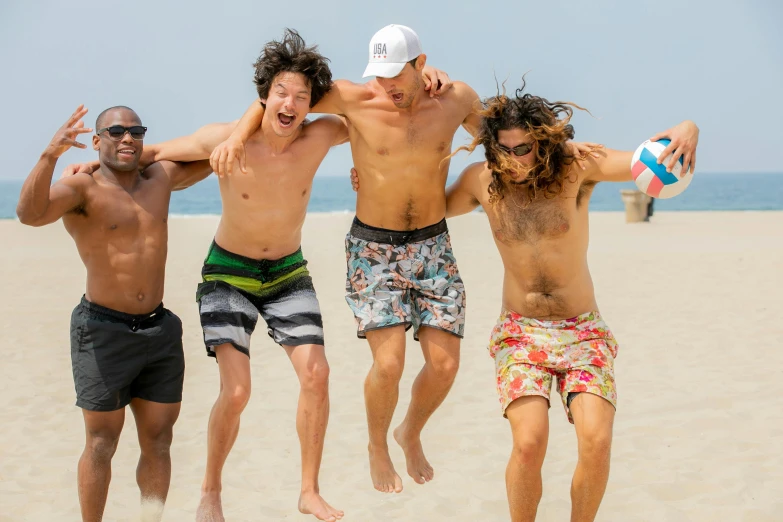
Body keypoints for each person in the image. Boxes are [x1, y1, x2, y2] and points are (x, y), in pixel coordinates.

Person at [64, 28, 448, 521]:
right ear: (264, 96)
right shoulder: (223, 140)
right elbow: (150, 153)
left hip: (288, 270)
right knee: (238, 390)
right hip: (229, 271)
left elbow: (384, 112)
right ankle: (211, 491)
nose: (291, 104)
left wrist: (432, 76)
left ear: (313, 105)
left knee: (317, 374)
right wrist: (88, 167)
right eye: (281, 93)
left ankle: (308, 490)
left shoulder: (321, 134)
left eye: (303, 97)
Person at [210, 24, 599, 495]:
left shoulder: (455, 99)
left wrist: (564, 153)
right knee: (390, 364)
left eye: (398, 73)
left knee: (444, 367)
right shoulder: (354, 98)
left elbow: (505, 138)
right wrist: (234, 138)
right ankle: (377, 444)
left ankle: (409, 430)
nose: (388, 85)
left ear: (421, 64)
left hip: (433, 242)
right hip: (374, 246)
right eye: (381, 74)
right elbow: (281, 98)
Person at [441, 82, 699, 521]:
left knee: (596, 442)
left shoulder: (577, 168)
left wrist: (688, 128)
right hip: (520, 331)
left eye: (523, 149)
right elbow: (424, 207)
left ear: (541, 142)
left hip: (583, 328)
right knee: (528, 443)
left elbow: (642, 160)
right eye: (502, 151)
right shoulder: (481, 182)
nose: (513, 160)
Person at [16, 105, 211, 522]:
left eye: (135, 131)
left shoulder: (159, 178)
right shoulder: (82, 190)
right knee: (102, 442)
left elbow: (212, 151)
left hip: (159, 330)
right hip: (103, 330)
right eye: (116, 131)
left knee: (159, 439)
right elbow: (28, 215)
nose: (127, 137)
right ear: (96, 140)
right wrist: (50, 155)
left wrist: (153, 152)